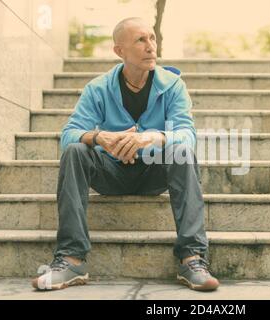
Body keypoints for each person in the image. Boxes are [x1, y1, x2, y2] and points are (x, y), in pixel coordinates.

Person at [31, 17, 219, 292]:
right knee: (75, 151)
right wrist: (99, 137)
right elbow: (68, 133)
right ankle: (71, 260)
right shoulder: (98, 88)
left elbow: (188, 135)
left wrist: (154, 137)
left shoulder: (173, 85)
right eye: (140, 40)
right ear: (119, 51)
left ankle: (192, 258)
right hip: (112, 173)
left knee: (181, 150)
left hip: (154, 172)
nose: (150, 46)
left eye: (152, 38)